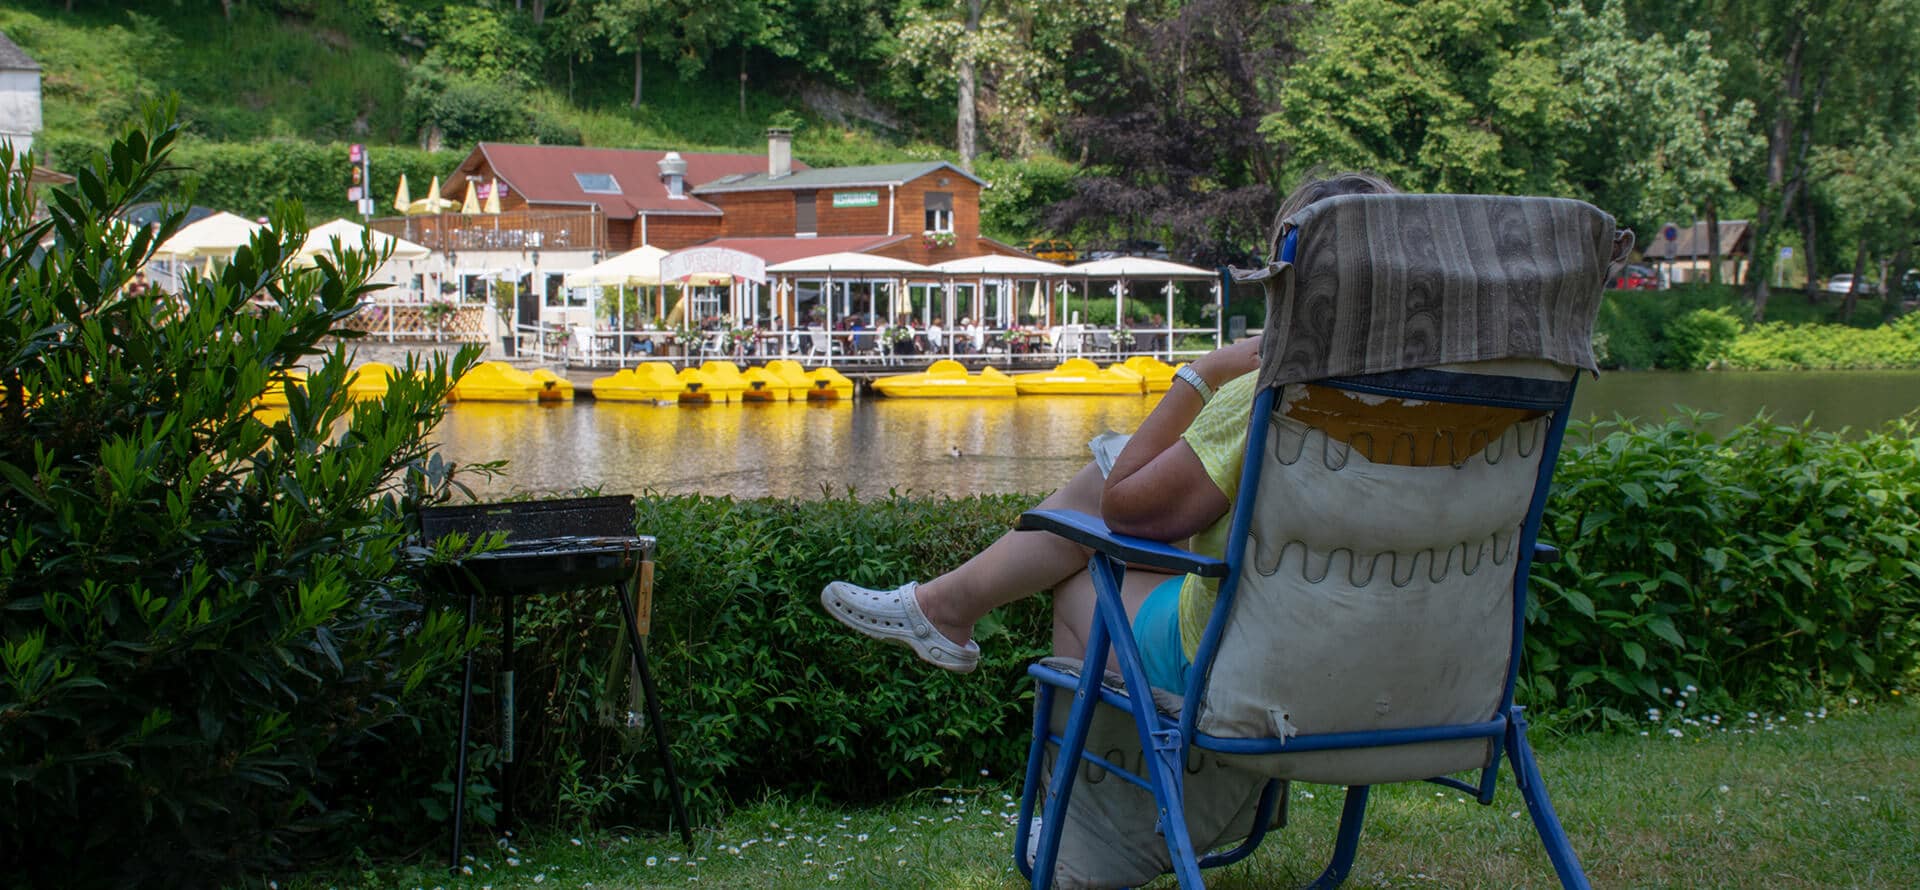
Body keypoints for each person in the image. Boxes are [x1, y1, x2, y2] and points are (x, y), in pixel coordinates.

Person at [821, 172, 1424, 692]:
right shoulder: (1472, 406)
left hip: (1258, 666)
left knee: (1085, 577)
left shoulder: (1267, 401)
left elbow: (1125, 510)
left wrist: (1206, 371)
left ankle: (1083, 821)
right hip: (1412, 668)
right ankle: (943, 605)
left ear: (1288, 283)